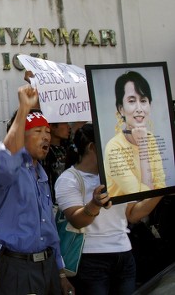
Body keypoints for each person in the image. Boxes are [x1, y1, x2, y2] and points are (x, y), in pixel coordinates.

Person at [55, 123, 162, 295]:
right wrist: (94, 204)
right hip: (91, 259)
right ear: (92, 147)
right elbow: (76, 220)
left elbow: (132, 214)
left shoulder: (118, 174)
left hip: (125, 254)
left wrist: (160, 189)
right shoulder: (69, 179)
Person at [0, 84, 73, 295]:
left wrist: (60, 272)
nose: (46, 136)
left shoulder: (41, 175)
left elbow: (49, 228)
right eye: (38, 131)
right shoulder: (9, 172)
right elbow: (8, 158)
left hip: (48, 267)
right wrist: (23, 109)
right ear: (21, 137)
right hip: (19, 269)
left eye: (47, 132)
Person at [104, 71, 166, 197]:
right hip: (123, 214)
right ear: (121, 109)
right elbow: (141, 196)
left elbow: (160, 186)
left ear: (150, 105)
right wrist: (143, 146)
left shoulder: (151, 139)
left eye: (143, 100)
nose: (139, 108)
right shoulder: (114, 148)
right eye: (132, 101)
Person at [41, 122, 71, 203]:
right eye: (65, 123)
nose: (69, 127)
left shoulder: (68, 149)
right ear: (52, 127)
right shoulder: (44, 153)